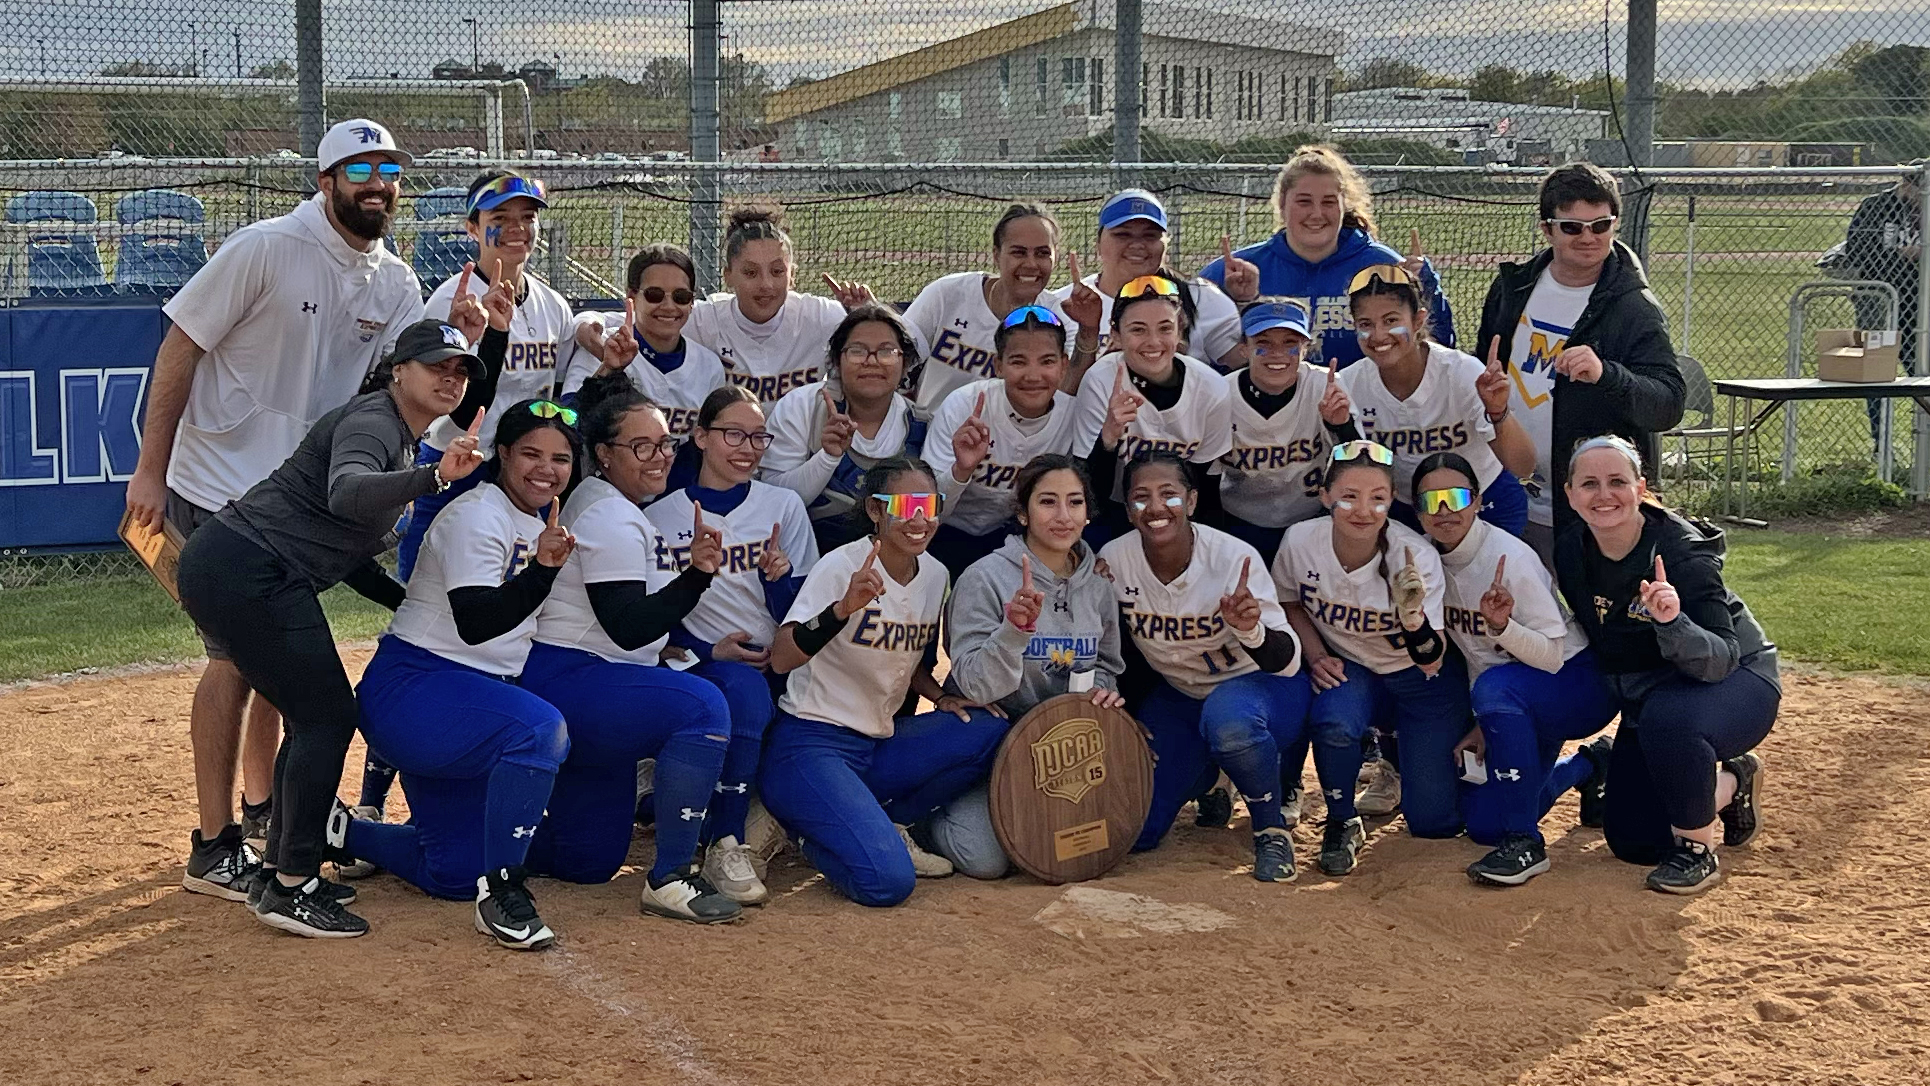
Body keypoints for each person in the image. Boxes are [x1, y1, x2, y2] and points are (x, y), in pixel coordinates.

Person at [122, 117, 424, 906]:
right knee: (234, 658)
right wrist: (149, 473)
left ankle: (262, 815)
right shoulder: (263, 247)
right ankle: (213, 842)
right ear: (324, 181)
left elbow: (394, 391)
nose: (377, 185)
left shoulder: (395, 283)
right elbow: (180, 347)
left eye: (388, 172)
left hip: (293, 504)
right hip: (213, 484)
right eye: (360, 170)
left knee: (272, 658)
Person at [173, 317, 490, 938]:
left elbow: (346, 551)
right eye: (437, 366)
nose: (451, 378)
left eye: (460, 371)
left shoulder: (399, 433)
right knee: (326, 716)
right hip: (247, 569)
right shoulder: (376, 421)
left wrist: (408, 603)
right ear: (399, 370)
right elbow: (348, 496)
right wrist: (435, 478)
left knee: (314, 714)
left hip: (247, 569)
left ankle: (278, 873)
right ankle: (291, 883)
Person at [337, 399, 580, 948]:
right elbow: (476, 625)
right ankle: (502, 892)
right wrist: (542, 571)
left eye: (560, 458)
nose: (546, 468)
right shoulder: (479, 513)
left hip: (464, 701)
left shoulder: (533, 518)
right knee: (539, 729)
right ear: (502, 455)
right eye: (531, 454)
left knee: (451, 874)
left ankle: (337, 831)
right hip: (418, 691)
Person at [517, 373, 745, 924]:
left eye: (664, 444)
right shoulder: (610, 513)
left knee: (588, 860)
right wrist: (697, 576)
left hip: (585, 678)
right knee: (703, 705)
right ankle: (670, 876)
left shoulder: (606, 501)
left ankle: (456, 835)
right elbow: (627, 627)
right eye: (640, 446)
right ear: (603, 453)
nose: (659, 457)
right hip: (571, 679)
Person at [759, 458, 1010, 907]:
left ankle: (887, 823)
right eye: (906, 505)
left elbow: (905, 659)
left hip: (874, 744)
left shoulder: (935, 574)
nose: (919, 519)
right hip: (811, 743)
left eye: (929, 505)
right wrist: (840, 610)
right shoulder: (842, 566)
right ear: (876, 510)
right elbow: (780, 658)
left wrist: (941, 696)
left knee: (987, 728)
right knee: (888, 883)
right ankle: (807, 834)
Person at [1554, 436, 1776, 894]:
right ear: (1570, 493)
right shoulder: (1572, 548)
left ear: (1640, 487)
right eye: (1589, 483)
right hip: (1658, 694)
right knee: (1635, 841)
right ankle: (1735, 779)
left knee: (1670, 721)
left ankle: (1698, 850)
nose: (1604, 495)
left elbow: (1720, 659)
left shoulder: (1680, 551)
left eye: (1617, 481)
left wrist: (1672, 622)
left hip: (1738, 680)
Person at [642, 384, 818, 905]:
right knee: (741, 690)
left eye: (758, 437)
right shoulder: (662, 514)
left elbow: (805, 615)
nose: (747, 447)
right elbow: (650, 617)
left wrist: (778, 581)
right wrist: (706, 648)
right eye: (733, 434)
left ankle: (717, 814)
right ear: (700, 436)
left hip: (779, 660)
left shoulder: (783, 506)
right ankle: (726, 840)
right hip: (703, 661)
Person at [1096, 451, 1305, 879]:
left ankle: (1270, 828)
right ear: (1128, 507)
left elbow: (1286, 661)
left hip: (1260, 692)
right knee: (1141, 832)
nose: (1155, 508)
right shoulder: (1113, 560)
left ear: (1191, 501)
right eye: (1141, 497)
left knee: (1229, 722)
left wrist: (1251, 630)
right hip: (1182, 697)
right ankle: (1211, 777)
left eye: (1169, 494)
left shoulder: (1232, 558)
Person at [1410, 452, 1614, 887]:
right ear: (1417, 511)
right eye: (1431, 501)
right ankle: (1591, 765)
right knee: (1485, 827)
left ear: (1478, 500)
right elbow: (1471, 651)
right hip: (1512, 692)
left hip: (1575, 684)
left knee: (1496, 689)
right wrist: (1488, 718)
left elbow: (1552, 655)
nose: (1445, 511)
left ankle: (1526, 843)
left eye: (1456, 497)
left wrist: (1502, 627)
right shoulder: (1426, 562)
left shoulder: (1508, 558)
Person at [1272, 440, 1470, 877]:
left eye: (1377, 499)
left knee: (1433, 820)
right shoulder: (1300, 541)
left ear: (1391, 501)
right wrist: (1317, 654)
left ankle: (1401, 761)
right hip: (1355, 667)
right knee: (1334, 721)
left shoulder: (1412, 554)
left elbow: (1431, 659)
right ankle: (1342, 819)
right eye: (1348, 496)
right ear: (1325, 496)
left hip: (1418, 680)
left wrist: (1413, 616)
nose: (1363, 510)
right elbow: (1288, 603)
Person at [925, 455, 1127, 878]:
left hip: (1061, 754)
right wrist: (1015, 631)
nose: (1063, 516)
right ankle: (923, 815)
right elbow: (976, 685)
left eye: (1074, 503)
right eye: (1047, 502)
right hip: (992, 742)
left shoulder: (1098, 587)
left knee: (1118, 837)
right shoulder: (984, 578)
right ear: (1022, 512)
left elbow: (1107, 663)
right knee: (986, 861)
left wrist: (1102, 688)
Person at [1474, 162, 1685, 560]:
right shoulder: (1513, 287)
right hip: (1511, 495)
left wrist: (1607, 374)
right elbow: (1484, 368)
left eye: (1600, 225)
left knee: (1596, 621)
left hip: (1593, 509)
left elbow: (1669, 403)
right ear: (1547, 229)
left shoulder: (1633, 307)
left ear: (1615, 225)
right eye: (1572, 227)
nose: (1588, 237)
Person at [400, 170, 574, 581]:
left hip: (522, 469)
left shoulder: (553, 304)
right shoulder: (452, 300)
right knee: (426, 581)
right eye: (500, 218)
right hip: (456, 458)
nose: (517, 228)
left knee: (507, 579)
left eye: (527, 217)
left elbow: (562, 385)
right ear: (472, 227)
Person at [1201, 145, 1454, 370]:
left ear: (1345, 206)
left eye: (1329, 202)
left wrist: (1426, 286)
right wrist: (1240, 303)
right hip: (1269, 415)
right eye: (1304, 201)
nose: (1317, 213)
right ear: (1281, 203)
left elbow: (1440, 351)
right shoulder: (1235, 272)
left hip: (1364, 412)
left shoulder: (1382, 268)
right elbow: (1197, 358)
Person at [1342, 264, 1534, 537]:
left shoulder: (1462, 373)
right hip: (1407, 507)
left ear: (1418, 321)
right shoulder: (1351, 384)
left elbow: (1523, 466)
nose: (1379, 335)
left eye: (1391, 320)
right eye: (1365, 324)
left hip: (1481, 499)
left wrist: (1498, 411)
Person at [686, 202, 900, 406]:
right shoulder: (705, 320)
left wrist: (871, 315)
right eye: (751, 273)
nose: (766, 284)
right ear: (728, 276)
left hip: (802, 442)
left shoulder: (819, 316)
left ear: (793, 276)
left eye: (777, 271)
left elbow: (909, 348)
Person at [922, 306, 1080, 578]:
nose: (1033, 375)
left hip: (1014, 534)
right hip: (944, 532)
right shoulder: (965, 405)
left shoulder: (1074, 414)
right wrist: (961, 470)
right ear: (998, 365)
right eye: (1018, 361)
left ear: (1064, 365)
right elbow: (926, 510)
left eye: (1047, 361)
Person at [1072, 275, 1233, 539]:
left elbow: (1206, 486)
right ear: (1116, 335)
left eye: (1165, 328)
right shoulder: (1101, 381)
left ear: (1180, 330)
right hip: (1112, 511)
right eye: (1138, 329)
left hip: (1179, 514)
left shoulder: (1211, 388)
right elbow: (1090, 494)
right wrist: (1108, 439)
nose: (1153, 342)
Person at [761, 303, 928, 553]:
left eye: (886, 352)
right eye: (857, 351)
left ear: (905, 364)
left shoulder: (920, 425)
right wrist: (828, 457)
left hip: (891, 565)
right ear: (837, 361)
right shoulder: (803, 407)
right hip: (806, 560)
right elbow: (772, 500)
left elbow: (930, 516)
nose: (871, 362)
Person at [565, 243, 726, 498]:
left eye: (681, 296)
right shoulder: (603, 347)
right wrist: (607, 369)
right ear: (631, 296)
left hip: (677, 500)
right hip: (609, 497)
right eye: (654, 294)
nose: (669, 306)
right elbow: (567, 424)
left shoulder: (708, 365)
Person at [1208, 298, 1356, 565]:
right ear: (1244, 348)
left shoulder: (1325, 386)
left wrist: (1341, 425)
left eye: (1290, 343)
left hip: (1311, 520)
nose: (1278, 353)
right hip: (1240, 523)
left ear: (1305, 349)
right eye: (1263, 343)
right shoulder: (1219, 394)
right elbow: (1203, 476)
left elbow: (1359, 466)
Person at [1050, 189, 1243, 382]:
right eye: (1122, 235)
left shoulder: (1199, 297)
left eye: (1150, 236)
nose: (1137, 244)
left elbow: (1251, 362)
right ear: (1098, 244)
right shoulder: (1064, 304)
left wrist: (1246, 301)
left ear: (1166, 243)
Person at [903, 202, 1076, 414]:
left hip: (1010, 441)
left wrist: (1089, 329)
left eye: (1042, 253)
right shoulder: (947, 294)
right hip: (931, 431)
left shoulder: (1059, 318)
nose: (1031, 264)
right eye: (1019, 253)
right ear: (996, 255)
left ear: (1055, 257)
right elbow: (898, 354)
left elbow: (1065, 395)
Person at [1841, 165, 1922, 444]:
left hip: (1919, 309)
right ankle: (1881, 443)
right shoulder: (1876, 207)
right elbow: (1856, 249)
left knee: (1921, 374)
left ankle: (1923, 445)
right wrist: (1900, 255)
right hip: (1879, 304)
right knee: (1876, 375)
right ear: (1908, 184)